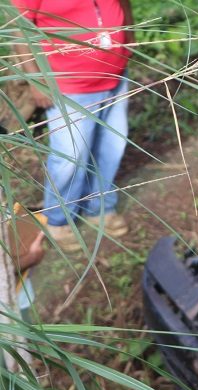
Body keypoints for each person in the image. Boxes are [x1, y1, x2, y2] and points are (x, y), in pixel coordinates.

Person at [12, 0, 133, 252]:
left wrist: (128, 36)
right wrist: (35, 79)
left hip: (115, 75)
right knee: (70, 156)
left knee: (112, 146)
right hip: (70, 86)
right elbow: (19, 29)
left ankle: (100, 208)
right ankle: (57, 219)